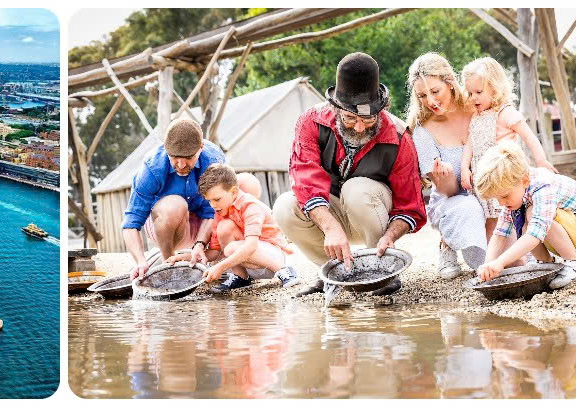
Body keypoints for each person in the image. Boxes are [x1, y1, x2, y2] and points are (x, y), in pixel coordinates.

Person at [273, 52, 427, 297]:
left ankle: (381, 269)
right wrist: (331, 228)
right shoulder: (310, 122)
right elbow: (304, 179)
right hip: (330, 214)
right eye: (350, 118)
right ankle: (332, 271)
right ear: (335, 108)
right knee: (284, 206)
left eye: (368, 118)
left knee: (356, 189)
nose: (359, 127)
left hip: (372, 213)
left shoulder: (399, 137)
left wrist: (390, 236)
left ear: (382, 108)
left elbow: (410, 206)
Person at [123, 118, 260, 279]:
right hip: (167, 225)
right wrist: (140, 261)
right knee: (175, 205)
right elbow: (131, 222)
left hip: (205, 225)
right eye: (174, 157)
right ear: (166, 148)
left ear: (201, 148)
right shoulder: (152, 167)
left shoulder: (212, 159)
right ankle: (169, 265)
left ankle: (231, 255)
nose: (181, 165)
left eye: (188, 157)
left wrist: (200, 243)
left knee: (246, 184)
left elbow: (211, 212)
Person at [406, 52, 489, 279]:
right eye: (422, 96)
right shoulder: (422, 130)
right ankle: (452, 246)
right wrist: (446, 178)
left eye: (435, 91)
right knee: (469, 207)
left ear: (450, 82)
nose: (430, 102)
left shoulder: (477, 108)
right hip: (453, 198)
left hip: (491, 192)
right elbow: (447, 191)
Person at [458, 57, 558, 245]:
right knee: (490, 220)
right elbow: (470, 144)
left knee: (509, 217)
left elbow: (529, 137)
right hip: (485, 177)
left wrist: (541, 160)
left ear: (495, 89)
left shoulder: (505, 113)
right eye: (470, 93)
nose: (474, 98)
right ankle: (495, 254)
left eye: (479, 92)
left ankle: (519, 253)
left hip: (504, 175)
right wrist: (464, 168)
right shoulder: (476, 117)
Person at [471, 143, 576, 289]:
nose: (501, 203)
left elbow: (535, 233)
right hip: (575, 236)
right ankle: (546, 265)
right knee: (523, 218)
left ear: (524, 180)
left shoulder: (543, 185)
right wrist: (488, 265)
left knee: (532, 213)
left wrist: (500, 262)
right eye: (497, 198)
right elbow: (499, 235)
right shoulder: (517, 189)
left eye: (504, 196)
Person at [173, 163, 299, 292]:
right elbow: (214, 253)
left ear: (233, 192)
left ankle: (285, 271)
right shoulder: (220, 212)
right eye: (209, 200)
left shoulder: (250, 206)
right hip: (251, 262)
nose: (213, 205)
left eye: (217, 199)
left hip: (273, 258)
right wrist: (184, 257)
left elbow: (251, 246)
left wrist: (221, 267)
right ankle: (241, 277)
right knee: (224, 227)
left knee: (230, 249)